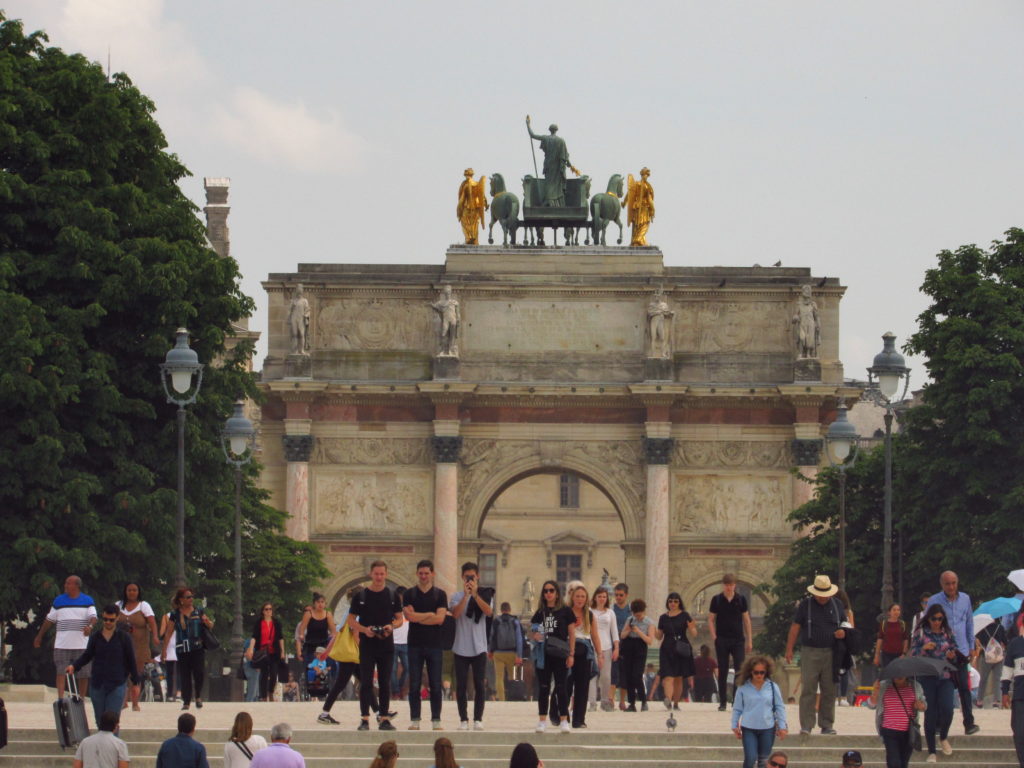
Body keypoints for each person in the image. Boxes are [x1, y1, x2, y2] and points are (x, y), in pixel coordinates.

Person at [784, 575, 845, 735]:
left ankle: (827, 724)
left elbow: (845, 626)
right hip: (810, 651)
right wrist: (789, 648)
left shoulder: (837, 605)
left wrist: (843, 633)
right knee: (808, 689)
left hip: (831, 652)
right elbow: (795, 627)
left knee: (829, 689)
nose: (822, 597)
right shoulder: (806, 605)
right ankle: (807, 725)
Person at [349, 560, 404, 731]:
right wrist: (365, 630)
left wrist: (391, 626)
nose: (379, 577)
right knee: (366, 682)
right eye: (376, 574)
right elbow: (351, 620)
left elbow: (400, 619)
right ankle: (365, 718)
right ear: (371, 574)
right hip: (367, 644)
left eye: (382, 574)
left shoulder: (392, 596)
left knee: (385, 682)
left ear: (386, 574)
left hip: (386, 644)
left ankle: (384, 718)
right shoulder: (361, 596)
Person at [66, 603, 140, 726]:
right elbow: (87, 655)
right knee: (100, 720)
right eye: (105, 619)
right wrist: (74, 666)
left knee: (112, 721)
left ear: (117, 618)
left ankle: (112, 744)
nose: (108, 622)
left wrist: (135, 681)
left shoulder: (124, 637)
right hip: (97, 683)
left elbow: (131, 659)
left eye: (111, 620)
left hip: (117, 683)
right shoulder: (96, 637)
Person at [926, 571, 980, 734]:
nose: (951, 587)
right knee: (939, 688)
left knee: (964, 688)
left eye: (954, 583)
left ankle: (969, 723)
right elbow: (928, 625)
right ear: (942, 585)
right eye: (948, 584)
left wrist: (971, 646)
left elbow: (969, 623)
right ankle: (937, 724)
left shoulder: (965, 599)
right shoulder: (934, 601)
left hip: (961, 651)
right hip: (941, 651)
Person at [34, 574, 97, 698]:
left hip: (81, 644)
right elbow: (49, 620)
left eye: (68, 583)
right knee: (60, 671)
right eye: (66, 583)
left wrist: (90, 627)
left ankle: (82, 698)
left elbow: (93, 617)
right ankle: (61, 698)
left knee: (83, 673)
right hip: (62, 644)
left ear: (76, 586)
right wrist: (39, 636)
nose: (65, 585)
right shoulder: (59, 601)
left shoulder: (87, 600)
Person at [403, 559, 448, 730]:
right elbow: (409, 618)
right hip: (414, 644)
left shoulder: (440, 594)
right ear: (417, 574)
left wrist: (419, 617)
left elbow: (440, 619)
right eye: (420, 573)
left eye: (426, 573)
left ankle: (436, 720)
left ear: (432, 574)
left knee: (436, 683)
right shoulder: (409, 594)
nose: (423, 576)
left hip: (435, 644)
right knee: (414, 683)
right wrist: (429, 615)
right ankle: (415, 719)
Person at [911, 604, 958, 762]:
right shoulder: (921, 632)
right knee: (930, 714)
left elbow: (955, 650)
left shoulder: (948, 633)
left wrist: (952, 655)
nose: (937, 622)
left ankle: (943, 736)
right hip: (927, 676)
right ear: (928, 618)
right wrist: (924, 648)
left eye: (940, 619)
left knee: (948, 709)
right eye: (934, 619)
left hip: (945, 675)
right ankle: (932, 751)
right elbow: (913, 652)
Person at [449, 561, 493, 730]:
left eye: (472, 577)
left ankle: (478, 718)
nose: (469, 580)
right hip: (460, 646)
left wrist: (475, 595)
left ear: (477, 577)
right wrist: (466, 596)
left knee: (479, 684)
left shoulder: (485, 595)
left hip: (479, 646)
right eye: (467, 577)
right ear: (462, 577)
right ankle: (463, 719)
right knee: (460, 685)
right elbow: (455, 614)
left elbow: (489, 612)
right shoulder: (456, 596)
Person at [530, 578, 575, 733]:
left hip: (560, 653)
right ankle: (542, 720)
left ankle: (564, 719)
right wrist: (534, 636)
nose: (548, 593)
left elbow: (571, 633)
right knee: (543, 687)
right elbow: (533, 630)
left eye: (551, 591)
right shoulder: (540, 612)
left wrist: (571, 654)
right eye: (545, 591)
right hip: (544, 654)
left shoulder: (566, 611)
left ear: (557, 594)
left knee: (561, 687)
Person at [318, 587, 367, 724]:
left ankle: (379, 712)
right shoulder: (357, 612)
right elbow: (355, 633)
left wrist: (327, 651)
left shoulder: (348, 611)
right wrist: (365, 651)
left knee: (363, 681)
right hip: (352, 653)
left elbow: (337, 634)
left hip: (348, 652)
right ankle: (324, 712)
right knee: (343, 683)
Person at [162, 587, 214, 711]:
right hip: (182, 649)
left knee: (199, 673)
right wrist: (164, 650)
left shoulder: (198, 611)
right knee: (185, 675)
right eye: (188, 597)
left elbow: (210, 625)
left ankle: (198, 696)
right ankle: (186, 701)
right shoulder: (175, 614)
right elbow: (169, 632)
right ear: (181, 600)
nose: (191, 599)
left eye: (192, 597)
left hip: (197, 647)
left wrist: (206, 621)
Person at [731, 655, 788, 768]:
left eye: (762, 672)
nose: (759, 675)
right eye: (756, 672)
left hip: (767, 728)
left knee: (763, 761)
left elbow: (779, 707)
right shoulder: (743, 687)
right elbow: (737, 708)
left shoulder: (772, 687)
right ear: (750, 671)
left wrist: (782, 726)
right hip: (749, 728)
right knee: (751, 758)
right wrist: (734, 724)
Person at [709, 573, 752, 710]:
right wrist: (714, 636)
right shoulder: (716, 600)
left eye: (731, 585)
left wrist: (749, 640)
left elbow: (746, 620)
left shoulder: (741, 599)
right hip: (722, 639)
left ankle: (736, 700)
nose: (729, 588)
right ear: (723, 585)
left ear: (735, 585)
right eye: (727, 585)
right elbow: (710, 619)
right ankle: (722, 702)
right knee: (723, 669)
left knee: (740, 670)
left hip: (738, 639)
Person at [116, 582, 158, 712]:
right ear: (125, 591)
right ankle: (123, 702)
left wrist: (155, 637)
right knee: (122, 674)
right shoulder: (118, 605)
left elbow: (152, 622)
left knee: (136, 675)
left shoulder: (144, 606)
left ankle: (135, 702)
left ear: (138, 592)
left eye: (134, 590)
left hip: (139, 645)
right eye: (129, 590)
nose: (132, 593)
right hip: (121, 645)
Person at [869, 673, 925, 768]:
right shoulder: (884, 685)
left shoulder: (916, 686)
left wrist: (920, 705)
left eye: (902, 674)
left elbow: (923, 705)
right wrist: (875, 691)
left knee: (904, 763)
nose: (899, 676)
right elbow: (871, 705)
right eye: (896, 674)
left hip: (909, 731)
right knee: (894, 762)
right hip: (889, 730)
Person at [566, 583, 602, 728]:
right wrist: (572, 625)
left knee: (582, 687)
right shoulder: (565, 612)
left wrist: (600, 654)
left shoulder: (590, 614)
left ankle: (579, 719)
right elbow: (556, 629)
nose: (580, 599)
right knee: (566, 685)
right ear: (572, 597)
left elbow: (595, 636)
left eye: (583, 596)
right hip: (568, 650)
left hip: (585, 650)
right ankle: (563, 716)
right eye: (577, 596)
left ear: (586, 599)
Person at [525, 116, 580, 207]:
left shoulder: (546, 138)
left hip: (549, 166)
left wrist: (528, 124)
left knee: (549, 184)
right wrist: (570, 166)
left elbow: (532, 135)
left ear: (550, 130)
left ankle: (551, 202)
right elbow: (565, 156)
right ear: (556, 130)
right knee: (557, 185)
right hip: (558, 167)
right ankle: (554, 202)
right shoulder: (561, 141)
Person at [655, 591, 696, 710]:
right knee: (667, 676)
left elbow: (694, 634)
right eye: (670, 601)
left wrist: (692, 627)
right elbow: (659, 636)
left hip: (681, 648)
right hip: (667, 649)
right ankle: (668, 699)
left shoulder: (685, 615)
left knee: (678, 678)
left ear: (679, 603)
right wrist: (652, 631)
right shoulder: (663, 617)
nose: (673, 603)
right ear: (668, 603)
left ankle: (676, 703)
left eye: (675, 601)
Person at [619, 598, 655, 712]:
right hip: (629, 647)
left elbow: (650, 640)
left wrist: (638, 631)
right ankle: (632, 703)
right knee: (629, 676)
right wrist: (629, 629)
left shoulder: (649, 622)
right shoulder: (630, 619)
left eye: (639, 615)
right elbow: (622, 636)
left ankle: (643, 701)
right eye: (636, 615)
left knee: (637, 675)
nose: (638, 617)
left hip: (641, 647)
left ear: (644, 611)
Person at [246, 602, 284, 702]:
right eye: (266, 609)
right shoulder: (259, 623)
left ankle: (270, 691)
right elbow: (254, 637)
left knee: (274, 673)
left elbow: (280, 638)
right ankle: (263, 696)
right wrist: (251, 649)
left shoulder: (276, 623)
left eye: (270, 609)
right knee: (263, 674)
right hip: (262, 652)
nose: (268, 611)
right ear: (263, 611)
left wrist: (283, 651)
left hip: (274, 652)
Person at [588, 586, 618, 711]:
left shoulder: (610, 613)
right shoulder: (589, 611)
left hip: (606, 647)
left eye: (604, 597)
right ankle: (592, 703)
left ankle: (605, 700)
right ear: (595, 597)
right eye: (599, 596)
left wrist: (617, 647)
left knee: (606, 676)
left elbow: (614, 631)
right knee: (592, 676)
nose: (601, 599)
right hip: (591, 646)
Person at [489, 601, 524, 703]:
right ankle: (512, 697)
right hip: (512, 653)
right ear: (509, 610)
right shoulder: (515, 621)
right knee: (512, 676)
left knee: (499, 677)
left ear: (501, 610)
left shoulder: (496, 621)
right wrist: (519, 655)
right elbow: (519, 639)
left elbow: (492, 637)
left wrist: (490, 651)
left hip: (498, 653)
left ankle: (502, 699)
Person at [1000, 622, 1024, 768]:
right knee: (1020, 732)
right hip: (1020, 695)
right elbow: (1008, 669)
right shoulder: (1015, 644)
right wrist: (1004, 692)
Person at [976, 618, 1007, 709]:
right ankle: (996, 701)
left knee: (983, 679)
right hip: (998, 657)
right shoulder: (1000, 627)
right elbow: (1005, 641)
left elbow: (980, 642)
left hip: (986, 657)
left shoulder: (983, 629)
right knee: (997, 679)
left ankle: (980, 700)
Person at [609, 583, 631, 711]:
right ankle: (611, 699)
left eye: (620, 595)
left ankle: (622, 701)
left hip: (627, 644)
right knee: (613, 671)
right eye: (616, 595)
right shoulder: (611, 609)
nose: (618, 597)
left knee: (625, 672)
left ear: (626, 595)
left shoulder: (630, 610)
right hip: (614, 642)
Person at [298, 593, 336, 666]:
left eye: (322, 602)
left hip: (324, 645)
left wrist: (331, 640)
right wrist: (301, 636)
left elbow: (333, 631)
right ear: (314, 604)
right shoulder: (308, 614)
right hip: (311, 644)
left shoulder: (328, 614)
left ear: (325, 604)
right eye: (318, 602)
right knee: (310, 667)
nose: (320, 604)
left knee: (326, 666)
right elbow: (302, 628)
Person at [624, 168, 656, 246]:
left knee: (638, 224)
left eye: (647, 175)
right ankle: (638, 239)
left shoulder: (639, 184)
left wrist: (624, 203)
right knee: (644, 223)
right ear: (642, 175)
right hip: (642, 206)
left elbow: (629, 193)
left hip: (637, 206)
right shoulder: (645, 186)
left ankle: (638, 240)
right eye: (645, 175)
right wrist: (653, 209)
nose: (646, 176)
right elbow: (649, 199)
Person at [873, 603, 909, 671]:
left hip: (899, 654)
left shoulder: (902, 624)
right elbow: (880, 639)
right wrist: (877, 655)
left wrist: (904, 653)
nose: (896, 612)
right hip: (886, 654)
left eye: (898, 610)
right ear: (889, 612)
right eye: (894, 610)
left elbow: (905, 639)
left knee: (898, 674)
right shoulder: (884, 624)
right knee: (887, 674)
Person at [456, 169, 487, 245]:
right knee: (475, 224)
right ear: (472, 175)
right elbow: (483, 196)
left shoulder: (465, 184)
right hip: (476, 207)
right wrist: (486, 204)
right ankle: (474, 239)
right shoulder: (477, 184)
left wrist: (459, 209)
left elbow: (462, 198)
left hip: (467, 207)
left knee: (465, 222)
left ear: (466, 175)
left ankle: (468, 238)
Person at [390, 586, 409, 701]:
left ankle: (400, 687)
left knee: (408, 668)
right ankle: (396, 692)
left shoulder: (409, 608)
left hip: (406, 642)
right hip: (393, 641)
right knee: (393, 669)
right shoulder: (391, 608)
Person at [159, 599, 180, 701]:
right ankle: (180, 693)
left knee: (170, 672)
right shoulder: (185, 615)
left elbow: (162, 633)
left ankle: (170, 695)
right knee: (181, 671)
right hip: (181, 644)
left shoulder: (166, 617)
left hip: (170, 644)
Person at [287, 284, 310, 355]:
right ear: (296, 290)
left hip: (301, 318)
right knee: (294, 334)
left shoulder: (304, 301)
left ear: (302, 291)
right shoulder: (293, 301)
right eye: (298, 289)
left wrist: (306, 316)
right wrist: (288, 318)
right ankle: (294, 350)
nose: (299, 290)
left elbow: (307, 310)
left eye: (300, 289)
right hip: (294, 318)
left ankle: (301, 350)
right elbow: (289, 310)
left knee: (302, 334)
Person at [241, 638, 261, 702]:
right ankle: (249, 706)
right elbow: (248, 655)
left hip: (253, 667)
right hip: (252, 668)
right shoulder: (251, 641)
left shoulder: (249, 641)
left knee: (255, 691)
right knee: (252, 692)